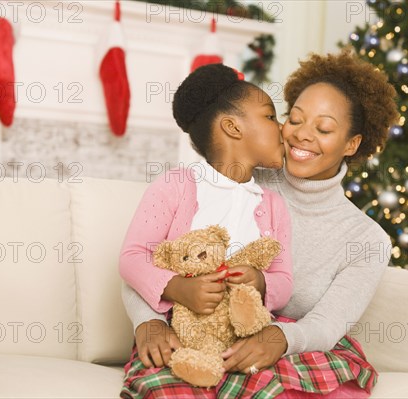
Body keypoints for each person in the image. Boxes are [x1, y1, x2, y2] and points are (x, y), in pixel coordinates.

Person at [121, 49, 399, 398]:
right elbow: (151, 259)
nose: (301, 135)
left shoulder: (367, 240)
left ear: (352, 143)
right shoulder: (241, 177)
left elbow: (327, 324)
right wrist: (148, 322)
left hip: (275, 341)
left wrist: (278, 337)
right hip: (192, 332)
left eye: (324, 128)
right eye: (294, 119)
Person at [119, 63, 294, 396]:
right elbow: (132, 257)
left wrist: (259, 281)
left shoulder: (272, 204)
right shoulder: (176, 185)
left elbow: (284, 281)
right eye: (271, 117)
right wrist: (177, 289)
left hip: (244, 338)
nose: (283, 129)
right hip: (183, 334)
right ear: (232, 127)